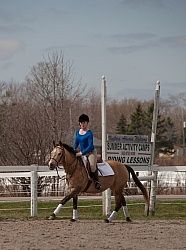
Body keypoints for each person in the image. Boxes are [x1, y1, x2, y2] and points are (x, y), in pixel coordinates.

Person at [73, 114, 101, 190]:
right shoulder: (77, 132)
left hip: (90, 152)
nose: (82, 124)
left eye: (84, 122)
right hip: (82, 153)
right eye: (81, 123)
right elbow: (76, 142)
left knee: (92, 167)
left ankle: (96, 182)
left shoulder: (89, 133)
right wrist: (74, 149)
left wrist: (81, 153)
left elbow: (90, 146)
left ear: (87, 123)